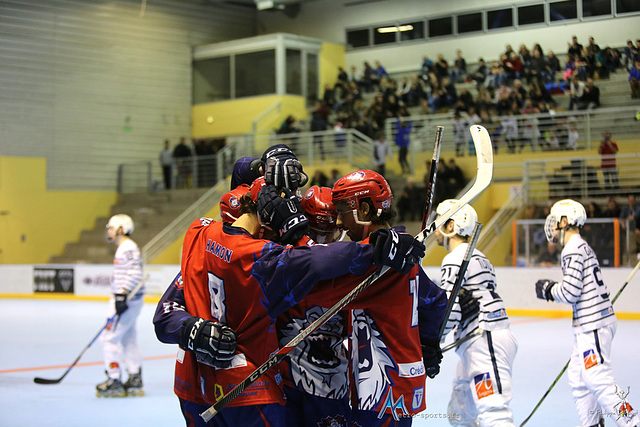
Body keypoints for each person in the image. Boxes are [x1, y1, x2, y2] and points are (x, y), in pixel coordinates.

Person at [153, 164, 424, 425]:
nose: (323, 240)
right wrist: (190, 329)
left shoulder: (199, 231)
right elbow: (165, 314)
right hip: (258, 388)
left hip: (323, 390)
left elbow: (427, 297)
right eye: (315, 231)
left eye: (332, 231)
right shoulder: (271, 255)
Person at [309, 170, 447, 426]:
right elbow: (437, 300)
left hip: (383, 389)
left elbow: (319, 290)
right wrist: (428, 342)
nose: (338, 223)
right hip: (402, 383)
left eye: (342, 211)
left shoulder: (378, 265)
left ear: (363, 210)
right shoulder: (403, 257)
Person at [534, 199, 640, 427]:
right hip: (590, 324)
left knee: (598, 379)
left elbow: (571, 291)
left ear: (565, 221)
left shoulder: (572, 249)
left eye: (555, 220)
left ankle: (631, 422)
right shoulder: (580, 246)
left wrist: (547, 289)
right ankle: (593, 423)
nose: (551, 225)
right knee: (579, 377)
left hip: (593, 325)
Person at [434, 201, 518, 427]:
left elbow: (450, 308)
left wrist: (434, 342)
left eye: (441, 220)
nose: (435, 226)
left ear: (451, 226)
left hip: (484, 338)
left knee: (494, 411)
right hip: (477, 339)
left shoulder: (454, 259)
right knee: (460, 411)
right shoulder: (480, 257)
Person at [97, 214, 145, 397]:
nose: (108, 231)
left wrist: (121, 294)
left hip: (126, 300)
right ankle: (135, 376)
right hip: (129, 300)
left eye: (111, 227)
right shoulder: (126, 247)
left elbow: (134, 274)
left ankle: (114, 378)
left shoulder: (127, 248)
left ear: (120, 229)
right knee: (128, 338)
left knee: (108, 338)